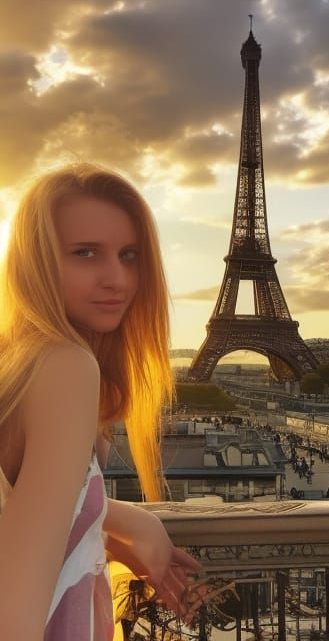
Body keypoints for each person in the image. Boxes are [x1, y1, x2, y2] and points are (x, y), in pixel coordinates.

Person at [0, 163, 202, 640]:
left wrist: (123, 520)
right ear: (37, 262)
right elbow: (14, 616)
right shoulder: (67, 367)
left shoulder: (20, 361)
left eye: (129, 254)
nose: (117, 278)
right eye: (86, 253)